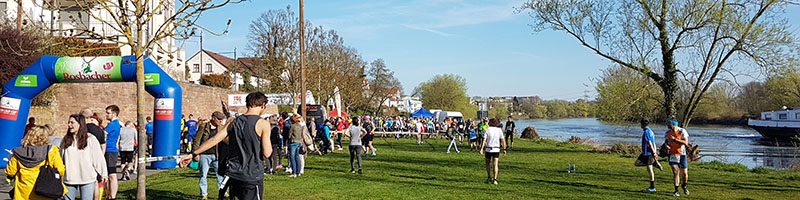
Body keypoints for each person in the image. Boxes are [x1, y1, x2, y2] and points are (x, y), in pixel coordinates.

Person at [180, 92, 272, 200]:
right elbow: (267, 153)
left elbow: (214, 139)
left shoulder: (234, 122)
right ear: (263, 105)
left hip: (233, 175)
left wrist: (193, 154)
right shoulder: (263, 124)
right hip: (252, 176)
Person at [5, 125, 68, 200]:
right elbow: (60, 169)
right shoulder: (51, 151)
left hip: (23, 193)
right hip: (45, 191)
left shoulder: (18, 152)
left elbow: (10, 172)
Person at [60, 114, 108, 200]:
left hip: (87, 178)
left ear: (80, 124)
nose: (69, 125)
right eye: (68, 122)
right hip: (69, 178)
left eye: (72, 123)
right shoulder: (65, 140)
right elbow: (60, 159)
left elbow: (98, 158)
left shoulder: (90, 139)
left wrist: (103, 173)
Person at [192, 111, 226, 200]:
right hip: (205, 154)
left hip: (217, 155)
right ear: (213, 118)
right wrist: (196, 153)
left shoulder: (221, 128)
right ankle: (204, 194)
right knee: (203, 174)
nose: (220, 121)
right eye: (219, 119)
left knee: (220, 174)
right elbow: (197, 140)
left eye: (222, 119)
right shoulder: (204, 126)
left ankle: (223, 192)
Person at [80, 109, 106, 200]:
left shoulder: (80, 129)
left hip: (83, 158)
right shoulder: (99, 130)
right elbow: (103, 146)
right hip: (96, 158)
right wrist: (100, 158)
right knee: (96, 182)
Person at [665, 119, 690, 197]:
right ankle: (676, 190)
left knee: (684, 173)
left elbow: (685, 143)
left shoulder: (682, 131)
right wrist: (666, 146)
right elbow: (666, 141)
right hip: (672, 154)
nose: (667, 125)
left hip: (682, 154)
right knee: (676, 172)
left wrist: (675, 139)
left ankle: (684, 186)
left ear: (673, 124)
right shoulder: (667, 133)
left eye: (669, 123)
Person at [636, 119, 661, 192]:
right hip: (645, 153)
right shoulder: (651, 131)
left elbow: (650, 143)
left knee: (650, 169)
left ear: (642, 125)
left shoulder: (647, 132)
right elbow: (654, 143)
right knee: (637, 163)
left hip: (648, 153)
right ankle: (653, 164)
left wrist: (654, 153)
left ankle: (652, 187)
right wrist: (655, 151)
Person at [480, 118, 506, 185]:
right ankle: (495, 179)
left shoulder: (487, 130)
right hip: (496, 149)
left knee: (487, 163)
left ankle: (489, 177)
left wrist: (482, 148)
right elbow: (502, 140)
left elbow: (484, 140)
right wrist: (504, 149)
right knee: (495, 164)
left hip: (488, 149)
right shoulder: (499, 130)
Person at [104, 105, 122, 200]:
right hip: (110, 150)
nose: (106, 115)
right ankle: (109, 195)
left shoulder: (112, 124)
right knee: (109, 174)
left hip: (110, 151)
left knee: (111, 175)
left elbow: (103, 135)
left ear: (114, 114)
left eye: (108, 113)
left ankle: (112, 196)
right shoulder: (115, 124)